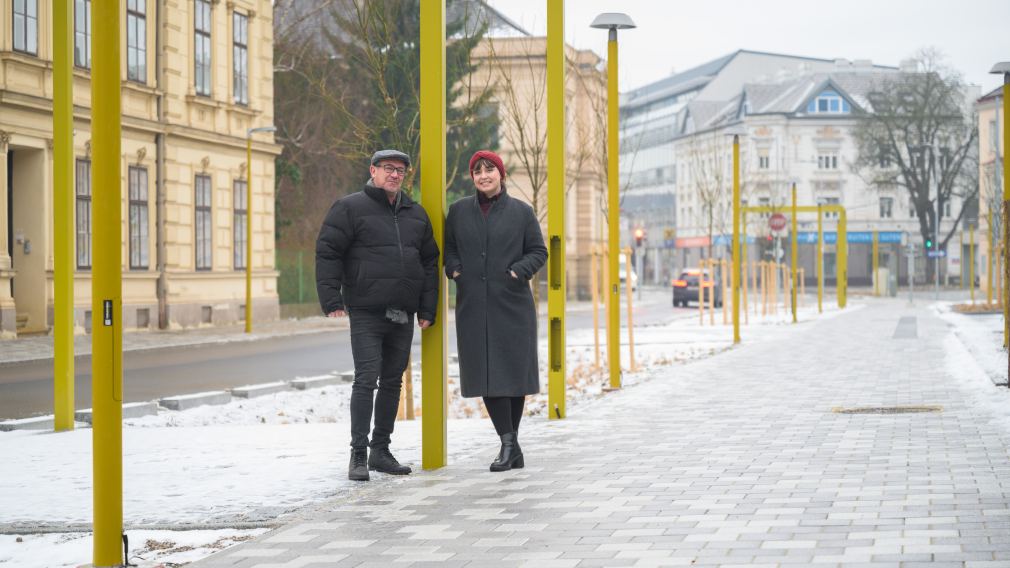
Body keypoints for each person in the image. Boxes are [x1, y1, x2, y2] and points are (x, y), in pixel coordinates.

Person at [315, 149, 439, 481]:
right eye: (388, 168)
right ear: (373, 170)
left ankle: (380, 451)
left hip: (404, 313)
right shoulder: (350, 207)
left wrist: (427, 308)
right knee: (366, 379)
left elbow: (429, 262)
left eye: (401, 170)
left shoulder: (416, 214)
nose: (395, 174)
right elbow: (328, 251)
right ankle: (357, 453)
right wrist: (331, 299)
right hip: (367, 310)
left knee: (392, 382)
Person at [444, 150, 547, 472]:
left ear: (501, 175)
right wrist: (455, 270)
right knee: (487, 374)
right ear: (472, 177)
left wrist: (518, 272)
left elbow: (538, 250)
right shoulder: (459, 211)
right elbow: (449, 248)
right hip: (473, 304)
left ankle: (508, 446)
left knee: (512, 375)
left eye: (490, 170)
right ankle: (509, 444)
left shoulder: (522, 212)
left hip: (512, 304)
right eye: (477, 171)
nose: (484, 175)